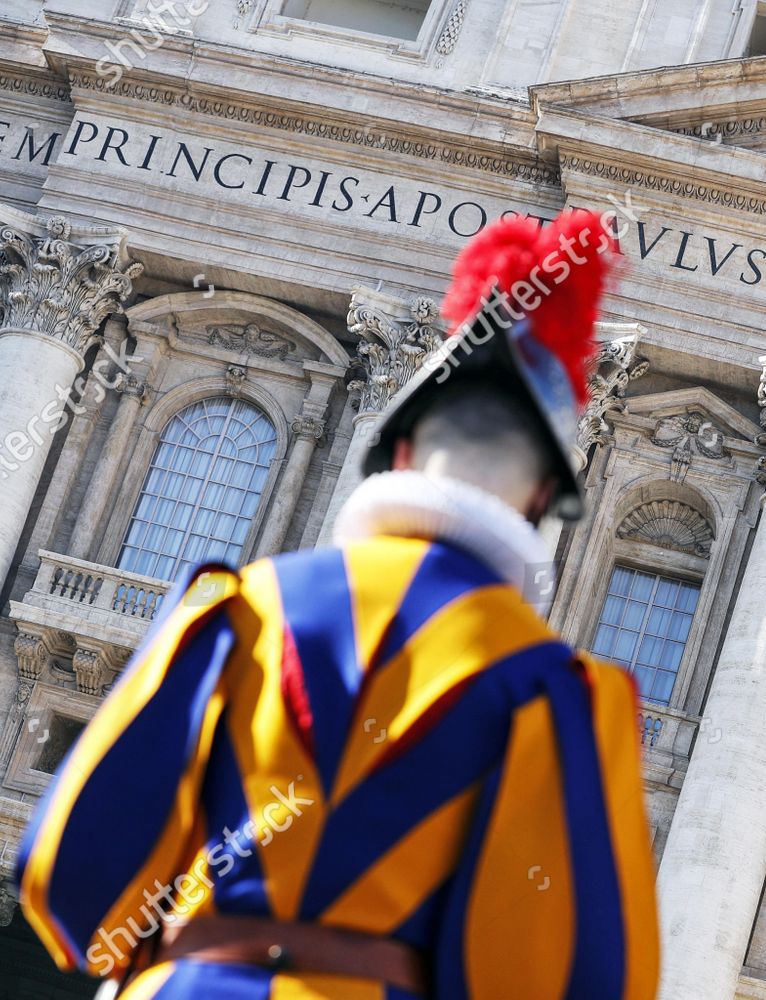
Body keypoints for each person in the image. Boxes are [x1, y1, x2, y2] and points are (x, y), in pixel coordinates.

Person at [15, 211, 659, 999]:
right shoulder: (560, 696)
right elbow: (584, 976)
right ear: (541, 499)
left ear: (403, 450)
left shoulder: (236, 611)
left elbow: (70, 877)